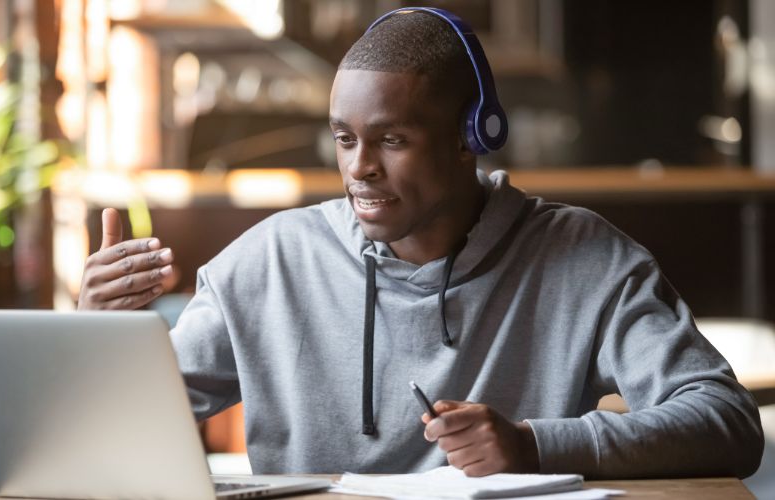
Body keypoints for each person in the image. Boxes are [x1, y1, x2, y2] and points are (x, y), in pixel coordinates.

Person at [78, 8, 764, 478]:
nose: (359, 168)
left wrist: (533, 445)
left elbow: (727, 423)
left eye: (392, 140)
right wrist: (96, 341)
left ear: (471, 138)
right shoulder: (267, 264)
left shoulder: (582, 258)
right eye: (345, 139)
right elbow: (104, 438)